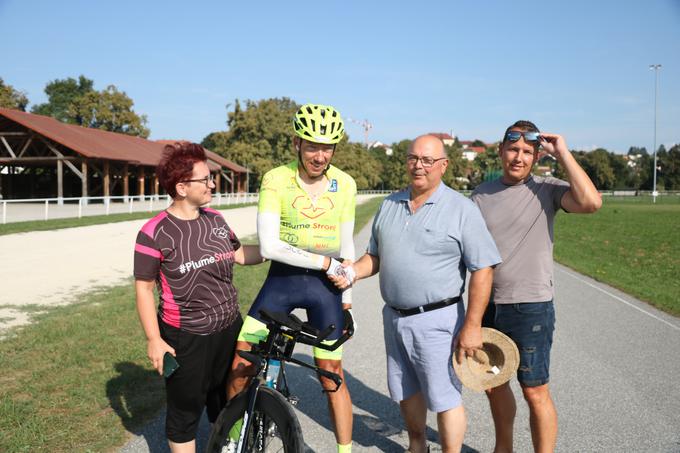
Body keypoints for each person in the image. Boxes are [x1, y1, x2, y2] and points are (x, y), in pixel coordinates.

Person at [332, 134, 501, 453]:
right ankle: (417, 445)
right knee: (406, 391)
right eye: (413, 159)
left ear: (444, 165)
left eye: (427, 160)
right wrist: (353, 270)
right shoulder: (389, 204)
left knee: (444, 398)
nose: (418, 166)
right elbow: (376, 257)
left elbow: (483, 269)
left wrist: (473, 325)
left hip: (438, 320)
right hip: (394, 317)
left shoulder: (462, 209)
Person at [226, 103, 357, 452]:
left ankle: (344, 451)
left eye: (327, 146)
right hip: (282, 282)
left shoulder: (345, 184)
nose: (319, 155)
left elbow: (347, 246)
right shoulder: (276, 178)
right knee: (241, 362)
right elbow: (269, 246)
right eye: (312, 145)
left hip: (325, 292)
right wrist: (326, 264)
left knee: (332, 375)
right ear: (297, 143)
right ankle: (234, 438)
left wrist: (346, 301)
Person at [471, 121, 602, 453]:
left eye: (527, 152)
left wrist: (563, 153)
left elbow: (591, 203)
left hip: (531, 307)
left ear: (537, 156)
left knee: (534, 390)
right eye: (513, 149)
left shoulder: (548, 189)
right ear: (501, 151)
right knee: (494, 384)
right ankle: (504, 449)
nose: (518, 157)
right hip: (489, 304)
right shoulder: (481, 195)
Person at [134, 142, 263, 453]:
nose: (212, 184)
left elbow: (238, 254)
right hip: (185, 337)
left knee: (230, 400)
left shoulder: (215, 219)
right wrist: (154, 339)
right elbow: (143, 288)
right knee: (185, 414)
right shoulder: (153, 233)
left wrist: (280, 251)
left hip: (230, 328)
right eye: (205, 179)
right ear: (181, 187)